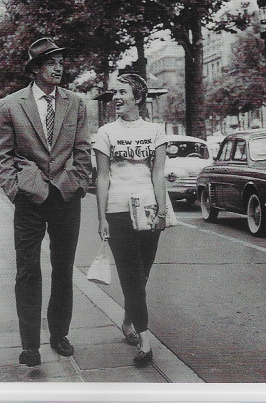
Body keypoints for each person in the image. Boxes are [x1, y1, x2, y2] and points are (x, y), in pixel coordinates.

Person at [0, 38, 91, 367]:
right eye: (51, 63)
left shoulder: (76, 103)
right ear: (35, 69)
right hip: (29, 199)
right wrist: (16, 189)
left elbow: (82, 152)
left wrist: (75, 183)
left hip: (65, 197)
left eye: (61, 61)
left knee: (63, 270)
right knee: (27, 271)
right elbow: (2, 156)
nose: (59, 67)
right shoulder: (10, 105)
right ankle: (30, 345)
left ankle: (59, 334)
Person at [93, 73, 167, 367]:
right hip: (118, 210)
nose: (116, 97)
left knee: (142, 274)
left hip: (148, 209)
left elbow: (158, 174)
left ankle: (128, 321)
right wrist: (102, 218)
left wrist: (162, 211)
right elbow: (102, 177)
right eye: (114, 92)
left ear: (138, 98)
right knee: (131, 276)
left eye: (122, 92)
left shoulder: (156, 131)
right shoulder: (105, 133)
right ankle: (145, 340)